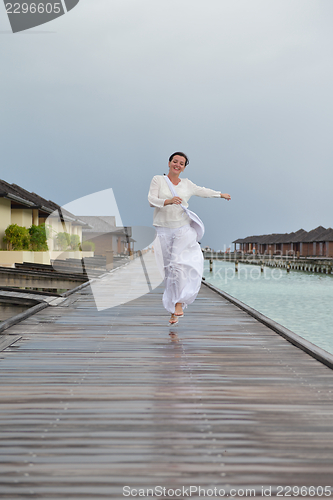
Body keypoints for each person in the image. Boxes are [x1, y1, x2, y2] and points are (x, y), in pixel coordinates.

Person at [148, 152, 231, 324]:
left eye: (182, 163)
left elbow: (203, 191)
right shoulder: (158, 180)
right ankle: (172, 310)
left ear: (184, 168)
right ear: (169, 163)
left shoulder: (187, 184)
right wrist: (169, 201)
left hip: (182, 229)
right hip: (163, 229)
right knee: (168, 270)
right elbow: (151, 200)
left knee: (178, 265)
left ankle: (179, 302)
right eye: (175, 161)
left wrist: (220, 194)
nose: (178, 165)